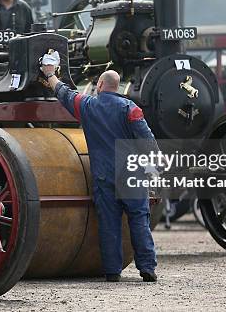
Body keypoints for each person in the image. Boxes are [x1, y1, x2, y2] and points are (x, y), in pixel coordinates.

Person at [41, 56, 158, 283]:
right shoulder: (131, 109)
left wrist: (49, 75)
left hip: (104, 177)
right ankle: (147, 268)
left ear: (101, 86)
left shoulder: (89, 106)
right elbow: (148, 141)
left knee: (109, 223)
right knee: (139, 220)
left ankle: (112, 271)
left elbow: (65, 94)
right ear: (119, 87)